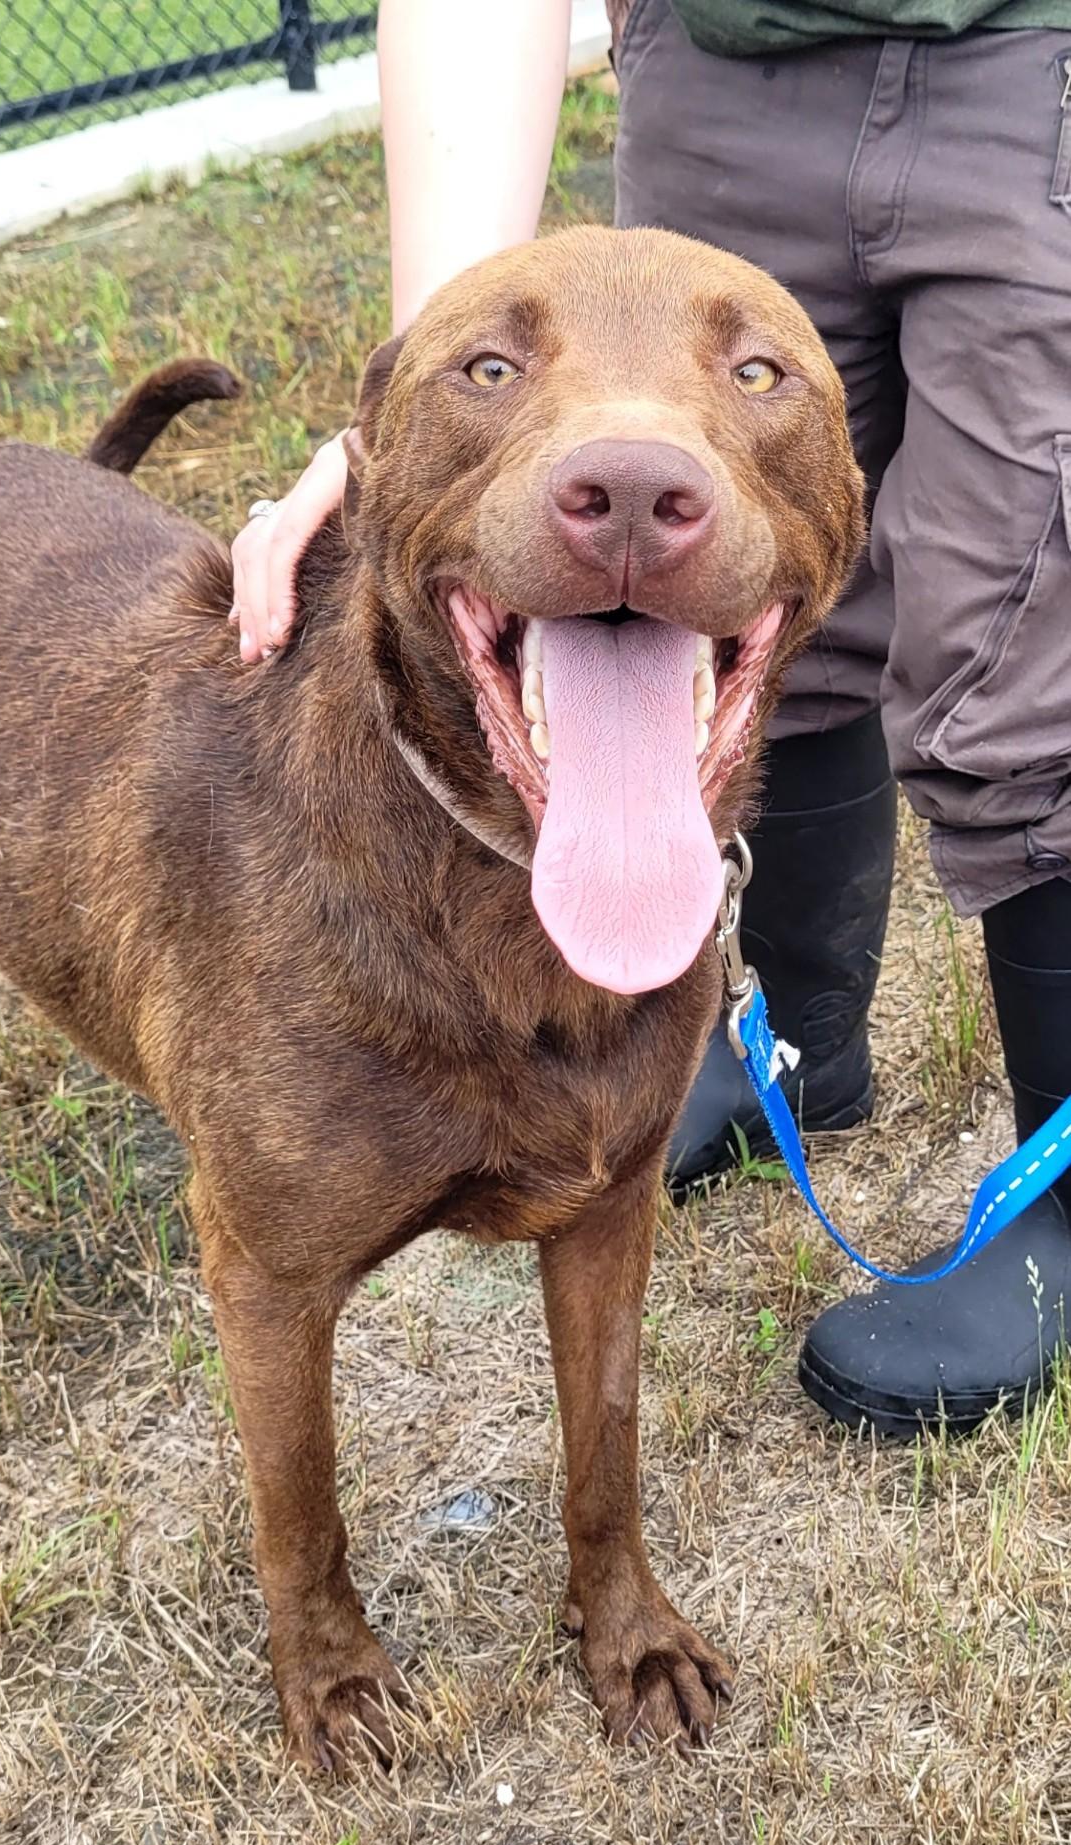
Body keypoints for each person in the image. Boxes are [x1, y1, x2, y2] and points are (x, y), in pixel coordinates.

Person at [229, 0, 1071, 1438]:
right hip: (720, 62)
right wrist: (429, 402)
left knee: (1025, 635)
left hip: (1032, 59)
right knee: (743, 601)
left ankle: (1068, 1206)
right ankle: (793, 1049)